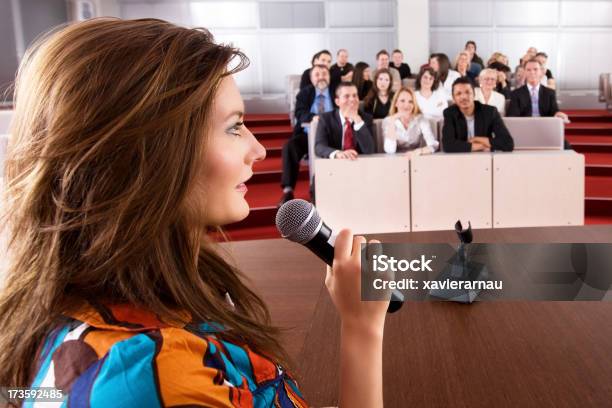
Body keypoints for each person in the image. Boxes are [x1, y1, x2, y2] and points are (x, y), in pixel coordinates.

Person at [0, 19, 390, 407]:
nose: (258, 150)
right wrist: (362, 329)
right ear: (150, 156)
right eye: (235, 127)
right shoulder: (145, 380)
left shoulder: (168, 286)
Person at [280, 64, 334, 205]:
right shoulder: (304, 93)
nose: (321, 77)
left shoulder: (337, 92)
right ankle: (288, 190)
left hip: (332, 135)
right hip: (308, 134)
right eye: (317, 74)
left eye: (324, 74)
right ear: (311, 78)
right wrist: (313, 117)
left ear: (329, 77)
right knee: (289, 147)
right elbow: (299, 113)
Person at [507, 58, 571, 149]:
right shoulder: (516, 94)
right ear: (524, 72)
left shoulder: (549, 92)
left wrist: (558, 114)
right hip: (524, 130)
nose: (532, 72)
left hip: (545, 129)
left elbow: (554, 112)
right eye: (528, 70)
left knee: (566, 146)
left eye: (535, 69)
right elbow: (512, 116)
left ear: (541, 72)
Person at [442, 77, 514, 153]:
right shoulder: (449, 113)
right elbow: (448, 145)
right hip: (460, 159)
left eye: (467, 92)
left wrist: (477, 139)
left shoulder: (490, 112)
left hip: (484, 158)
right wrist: (481, 146)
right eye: (458, 94)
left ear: (474, 94)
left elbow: (508, 143)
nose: (464, 97)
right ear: (454, 99)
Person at [315, 82, 375, 159]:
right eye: (346, 96)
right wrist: (337, 153)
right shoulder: (326, 119)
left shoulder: (366, 118)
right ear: (337, 102)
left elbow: (369, 150)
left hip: (359, 164)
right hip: (336, 164)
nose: (352, 99)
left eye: (354, 95)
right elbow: (319, 147)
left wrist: (357, 119)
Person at [383, 87, 439, 155]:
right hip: (396, 159)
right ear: (396, 103)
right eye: (402, 101)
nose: (406, 105)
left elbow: (433, 145)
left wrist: (419, 151)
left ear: (414, 105)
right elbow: (390, 150)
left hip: (416, 157)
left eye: (410, 101)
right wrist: (392, 121)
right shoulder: (388, 121)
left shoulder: (420, 119)